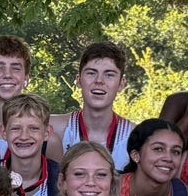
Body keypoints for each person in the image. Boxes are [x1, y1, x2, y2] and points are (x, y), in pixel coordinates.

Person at [47, 40, 133, 171]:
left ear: (121, 84)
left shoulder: (134, 136)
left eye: (109, 74)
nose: (99, 81)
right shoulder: (53, 128)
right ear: (78, 80)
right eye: (91, 73)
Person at [0, 93, 59, 196]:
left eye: (33, 128)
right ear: (4, 132)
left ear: (47, 133)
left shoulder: (62, 182)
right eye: (15, 128)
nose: (24, 136)